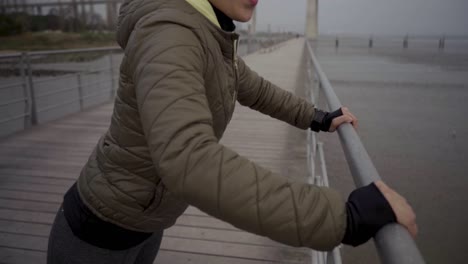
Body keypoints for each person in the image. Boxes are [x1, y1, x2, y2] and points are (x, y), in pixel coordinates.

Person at [47, 0, 417, 263]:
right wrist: (342, 217)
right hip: (98, 230)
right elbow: (188, 159)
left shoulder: (209, 34)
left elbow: (254, 88)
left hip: (145, 220)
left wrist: (319, 117)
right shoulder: (170, 35)